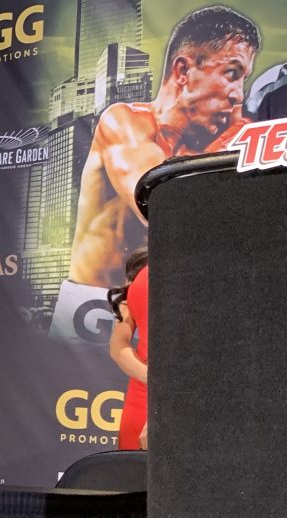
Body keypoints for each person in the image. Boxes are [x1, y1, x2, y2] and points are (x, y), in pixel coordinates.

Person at [52, 6, 259, 338]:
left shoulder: (210, 146)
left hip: (163, 307)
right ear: (183, 70)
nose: (238, 95)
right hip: (92, 306)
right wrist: (226, 150)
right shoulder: (123, 122)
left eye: (244, 79)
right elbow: (159, 207)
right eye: (232, 73)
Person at [108, 248, 149, 450]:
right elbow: (118, 346)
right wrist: (153, 380)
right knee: (133, 465)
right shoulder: (140, 279)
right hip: (143, 392)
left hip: (186, 391)